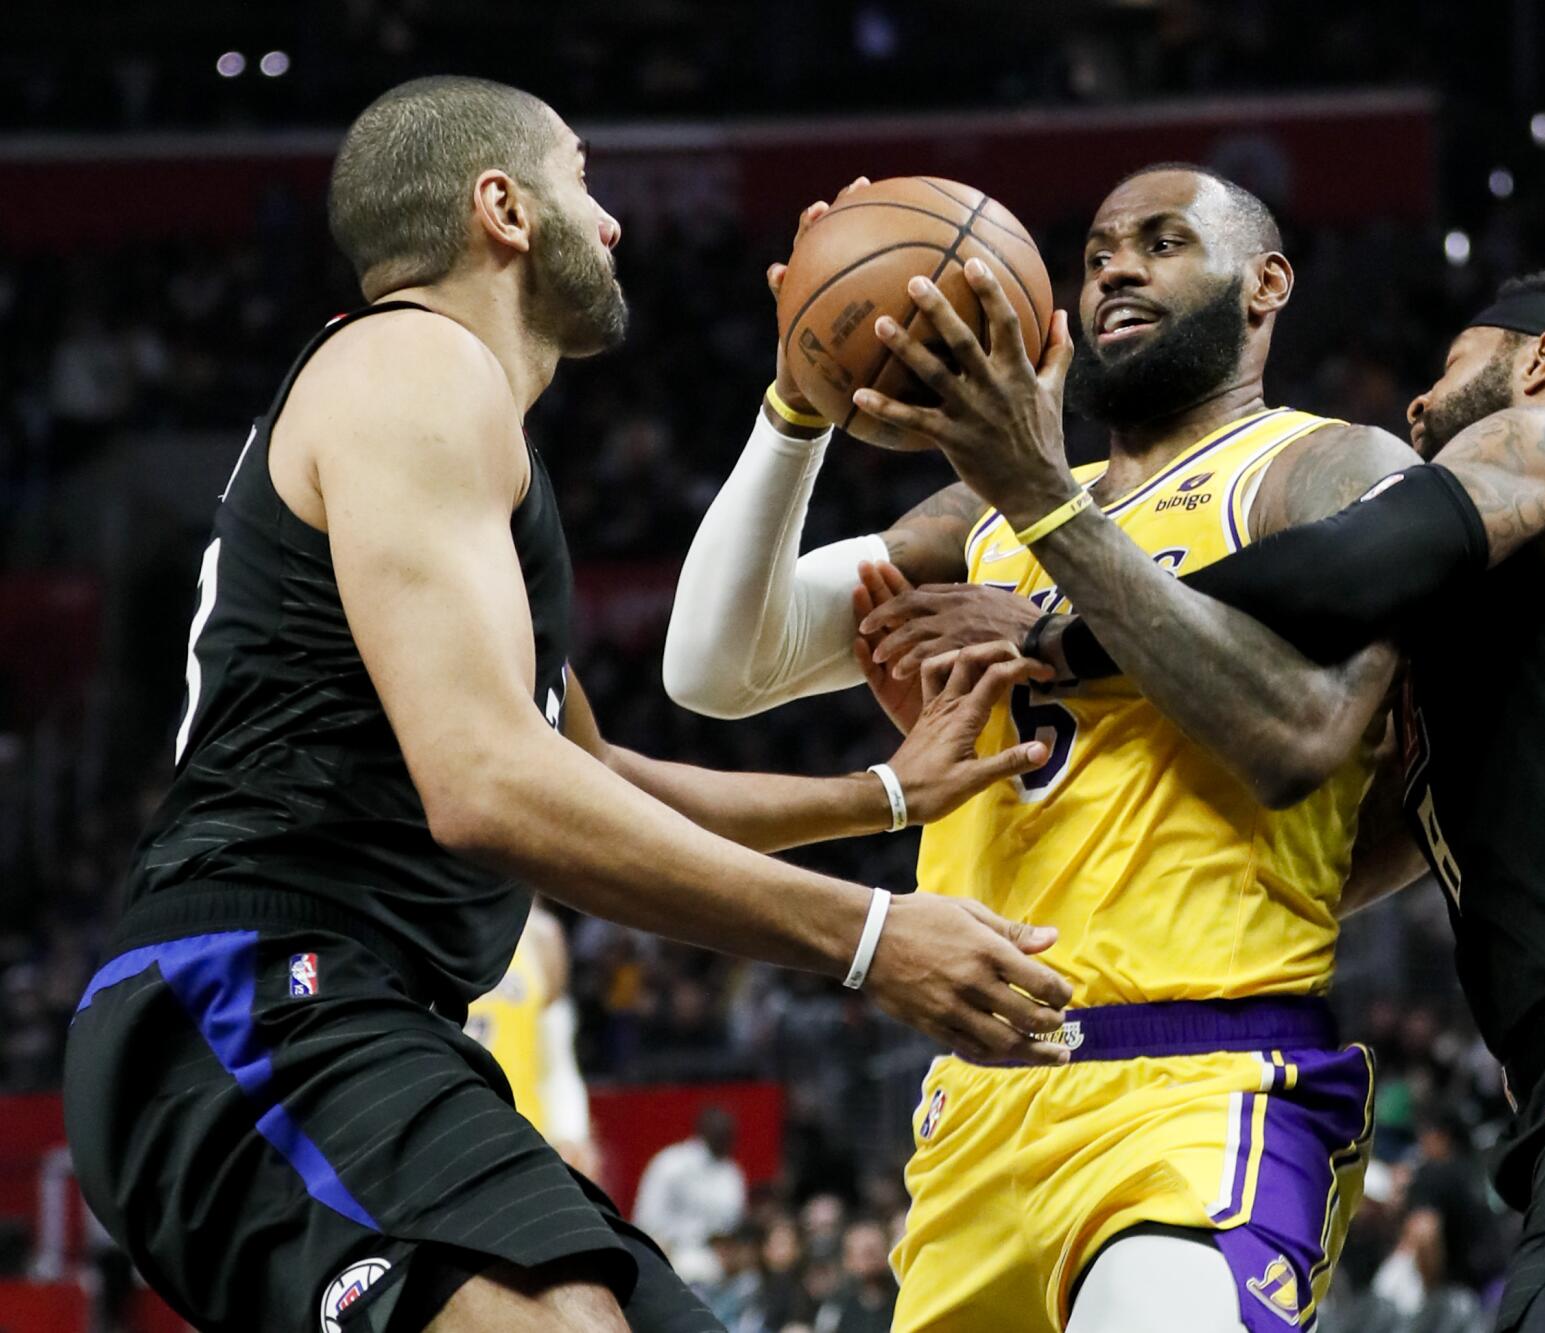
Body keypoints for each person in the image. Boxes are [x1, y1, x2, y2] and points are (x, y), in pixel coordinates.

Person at [61, 76, 1079, 1333]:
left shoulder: (456, 436)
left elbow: (591, 780)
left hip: (351, 1009)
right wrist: (871, 936)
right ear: (502, 208)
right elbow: (488, 788)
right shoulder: (416, 364)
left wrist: (878, 797)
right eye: (582, 181)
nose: (608, 223)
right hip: (250, 996)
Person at [874, 266, 1545, 1329]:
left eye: (1448, 369)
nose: (1415, 406)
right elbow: (1323, 853)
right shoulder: (1517, 637)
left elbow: (1338, 570)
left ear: (1537, 360)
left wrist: (1051, 639)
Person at [663, 164, 1422, 1332]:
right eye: (1100, 250)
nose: (1116, 264)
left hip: (1197, 1077)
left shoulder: (1322, 471)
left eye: (1162, 242)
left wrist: (1047, 538)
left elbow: (1293, 734)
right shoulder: (986, 521)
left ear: (1265, 284)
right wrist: (794, 408)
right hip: (976, 1106)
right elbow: (716, 666)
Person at [467, 901, 599, 1175]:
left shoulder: (541, 935)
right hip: (440, 1135)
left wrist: (571, 1130)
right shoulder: (411, 923)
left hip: (523, 1139)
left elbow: (556, 1055)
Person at [633, 1109, 748, 1286]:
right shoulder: (670, 1164)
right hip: (670, 1258)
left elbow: (733, 1227)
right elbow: (646, 1220)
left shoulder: (732, 1175)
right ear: (703, 1130)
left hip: (717, 1267)